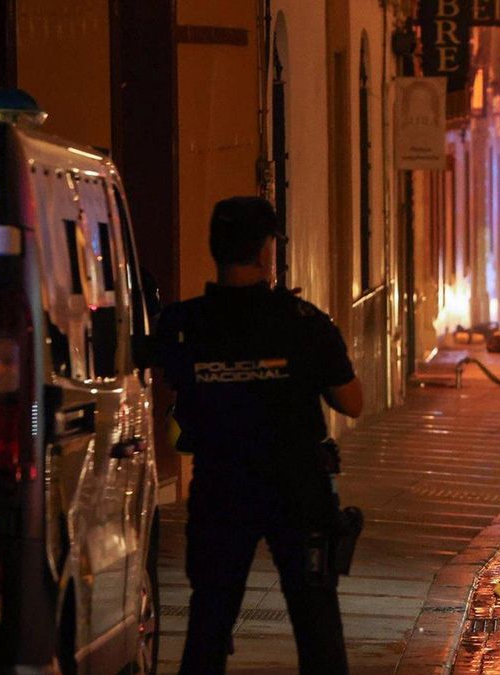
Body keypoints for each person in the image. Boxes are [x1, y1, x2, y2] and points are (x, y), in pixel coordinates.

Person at [155, 196, 363, 674]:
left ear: (215, 247)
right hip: (298, 490)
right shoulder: (303, 324)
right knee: (317, 629)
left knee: (208, 623)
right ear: (266, 251)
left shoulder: (184, 324)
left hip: (220, 489)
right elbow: (351, 401)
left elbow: (169, 380)